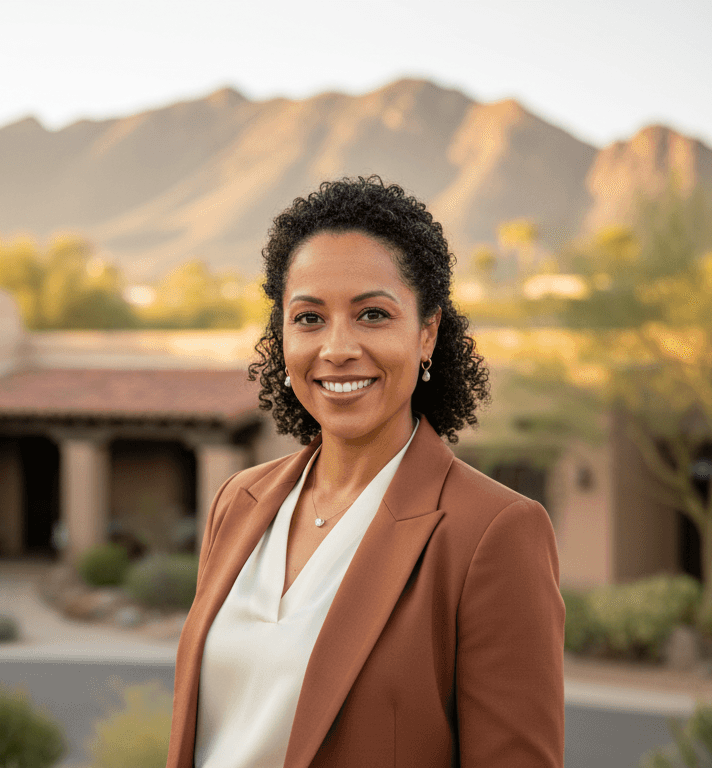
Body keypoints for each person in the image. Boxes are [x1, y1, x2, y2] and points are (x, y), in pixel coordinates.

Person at [166, 177, 564, 768]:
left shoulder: (493, 533)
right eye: (309, 318)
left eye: (372, 314)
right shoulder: (240, 501)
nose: (337, 347)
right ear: (282, 336)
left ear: (427, 333)